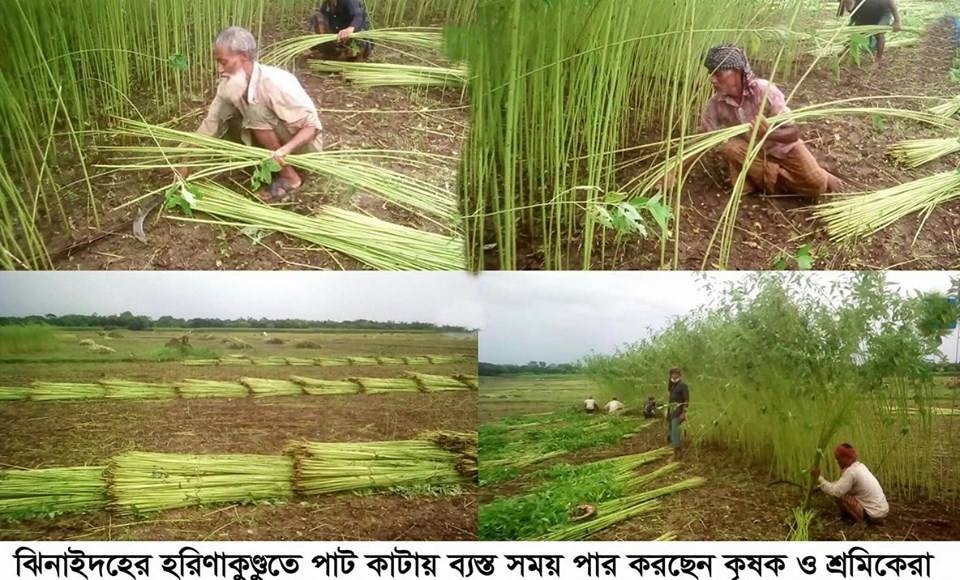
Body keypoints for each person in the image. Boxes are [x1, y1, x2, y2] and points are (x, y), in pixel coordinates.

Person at [662, 44, 842, 199]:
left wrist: (769, 133)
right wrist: (674, 171)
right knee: (730, 148)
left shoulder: (765, 92)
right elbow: (703, 139)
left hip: (784, 150)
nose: (712, 78)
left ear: (738, 72)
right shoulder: (716, 104)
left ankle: (757, 180)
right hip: (751, 152)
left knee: (817, 185)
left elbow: (793, 133)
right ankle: (764, 179)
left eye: (719, 73)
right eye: (711, 73)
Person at [184, 27, 324, 202]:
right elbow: (211, 123)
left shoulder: (276, 82)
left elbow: (312, 127)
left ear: (243, 57)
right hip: (275, 146)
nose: (220, 69)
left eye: (224, 62)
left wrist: (283, 151)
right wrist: (185, 156)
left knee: (254, 110)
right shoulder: (228, 85)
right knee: (226, 112)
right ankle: (263, 164)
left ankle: (291, 177)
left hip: (301, 148)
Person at [811, 443, 889, 525]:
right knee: (843, 492)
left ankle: (861, 521)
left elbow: (836, 491)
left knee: (841, 496)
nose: (837, 462)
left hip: (873, 515)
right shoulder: (860, 466)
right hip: (882, 512)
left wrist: (819, 478)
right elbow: (840, 485)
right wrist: (823, 484)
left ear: (846, 458)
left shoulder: (851, 472)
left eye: (838, 459)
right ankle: (853, 517)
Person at [839, 0, 902, 65]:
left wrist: (897, 21)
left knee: (879, 32)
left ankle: (878, 58)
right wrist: (841, 9)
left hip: (882, 11)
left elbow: (891, 2)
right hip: (866, 9)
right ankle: (847, 50)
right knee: (854, 30)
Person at [666, 367, 689, 461]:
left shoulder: (683, 385)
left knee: (675, 433)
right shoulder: (673, 386)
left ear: (679, 375)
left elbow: (686, 400)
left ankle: (675, 454)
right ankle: (680, 453)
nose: (674, 375)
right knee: (672, 433)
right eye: (672, 374)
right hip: (671, 413)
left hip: (678, 413)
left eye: (676, 374)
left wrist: (683, 413)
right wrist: (667, 415)